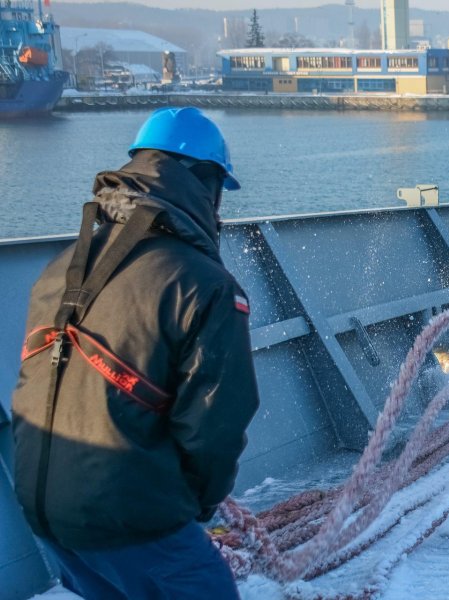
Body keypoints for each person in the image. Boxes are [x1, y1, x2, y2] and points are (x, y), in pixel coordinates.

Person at [12, 107, 260, 599]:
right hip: (132, 520)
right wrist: (192, 510)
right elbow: (216, 423)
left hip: (45, 512)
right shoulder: (204, 284)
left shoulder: (61, 268)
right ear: (204, 183)